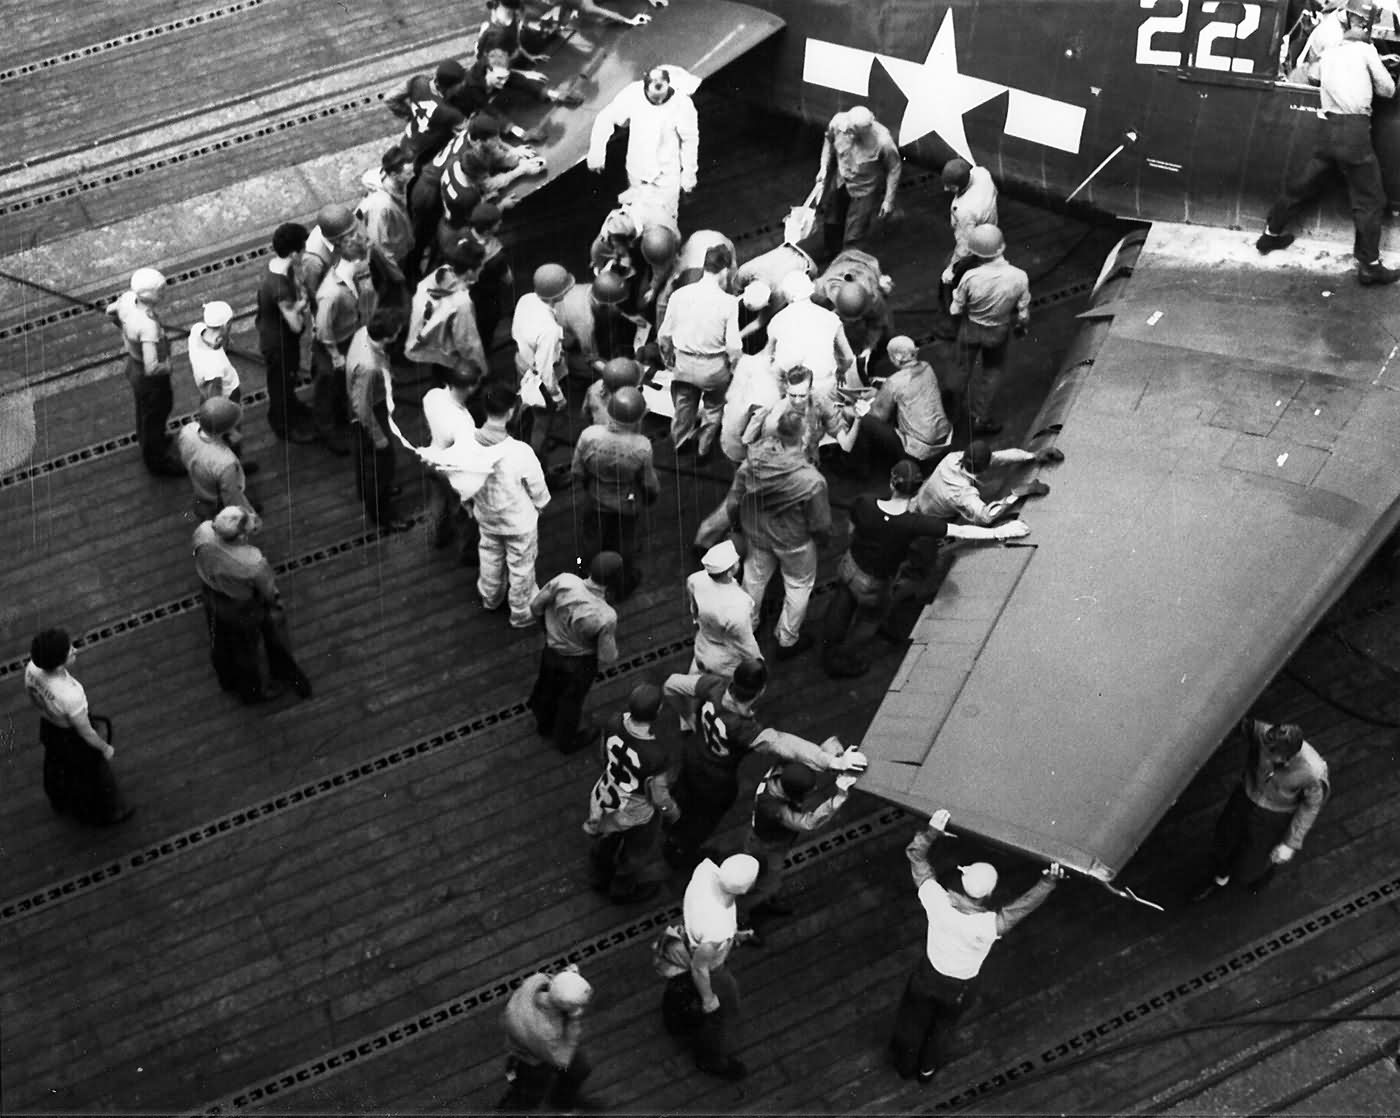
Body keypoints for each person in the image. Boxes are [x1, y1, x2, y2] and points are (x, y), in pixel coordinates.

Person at [890, 810, 1063, 1082]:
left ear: (962, 879)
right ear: (990, 895)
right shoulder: (990, 925)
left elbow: (915, 856)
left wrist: (932, 831)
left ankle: (904, 1065)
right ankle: (927, 1070)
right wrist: (1048, 882)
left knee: (912, 1020)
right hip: (961, 988)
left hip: (927, 977)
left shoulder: (935, 900)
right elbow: (1023, 907)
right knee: (944, 1027)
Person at [822, 461, 1029, 678]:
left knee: (841, 600)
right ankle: (843, 657)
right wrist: (1000, 532)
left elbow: (851, 525)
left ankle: (828, 648)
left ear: (892, 484)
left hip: (850, 563)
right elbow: (961, 530)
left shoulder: (865, 502)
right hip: (874, 583)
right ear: (917, 490)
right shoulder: (914, 523)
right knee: (869, 620)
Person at [659, 658, 866, 872]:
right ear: (761, 691)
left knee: (682, 795)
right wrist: (833, 761)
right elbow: (784, 743)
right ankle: (680, 852)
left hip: (692, 755)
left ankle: (670, 825)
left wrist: (688, 715)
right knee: (702, 821)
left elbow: (671, 684)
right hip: (715, 782)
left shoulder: (712, 685)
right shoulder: (745, 729)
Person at [1259, 0, 1400, 284]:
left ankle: (1270, 234)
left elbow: (1313, 75)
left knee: (1302, 184)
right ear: (1365, 25)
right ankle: (1370, 265)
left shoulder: (1332, 50)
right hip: (1354, 133)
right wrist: (1378, 66)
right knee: (1371, 199)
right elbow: (1388, 90)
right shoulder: (1367, 50)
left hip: (1327, 130)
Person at [726, 410, 832, 660]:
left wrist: (736, 526)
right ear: (803, 437)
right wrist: (823, 542)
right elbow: (821, 524)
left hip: (757, 534)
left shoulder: (753, 460)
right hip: (793, 543)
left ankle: (747, 626)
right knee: (798, 586)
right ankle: (787, 638)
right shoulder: (811, 480)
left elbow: (734, 500)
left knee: (753, 580)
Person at [1192, 718, 1330, 900]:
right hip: (1245, 797)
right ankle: (1219, 878)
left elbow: (1312, 804)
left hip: (1274, 815)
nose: (1269, 758)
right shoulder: (1259, 732)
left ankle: (1264, 872)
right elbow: (1230, 721)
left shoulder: (1313, 772)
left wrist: (1290, 843)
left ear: (1289, 757)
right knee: (1223, 840)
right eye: (1268, 750)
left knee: (1251, 863)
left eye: (1276, 755)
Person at [192, 506, 312, 705]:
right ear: (239, 537)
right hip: (242, 606)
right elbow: (269, 592)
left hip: (211, 593)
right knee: (249, 650)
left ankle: (227, 680)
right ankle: (256, 690)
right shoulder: (252, 562)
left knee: (220, 640)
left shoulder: (203, 531)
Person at [582, 682, 679, 903]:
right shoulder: (655, 755)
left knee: (607, 836)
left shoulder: (613, 722)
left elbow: (603, 754)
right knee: (636, 852)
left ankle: (598, 874)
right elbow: (659, 795)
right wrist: (672, 812)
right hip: (635, 810)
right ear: (657, 712)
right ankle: (622, 889)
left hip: (607, 794)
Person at [25, 628, 133, 826]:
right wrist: (104, 747)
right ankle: (110, 812)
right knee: (95, 775)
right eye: (69, 651)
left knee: (54, 764)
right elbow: (86, 731)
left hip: (50, 727)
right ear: (58, 664)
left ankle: (58, 800)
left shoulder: (32, 668)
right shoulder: (71, 695)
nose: (75, 650)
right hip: (72, 736)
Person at [666, 853, 759, 1080]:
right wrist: (709, 1000)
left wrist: (733, 935)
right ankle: (711, 1060)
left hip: (686, 940)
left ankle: (673, 1019)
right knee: (724, 1013)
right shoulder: (717, 928)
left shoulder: (705, 869)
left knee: (679, 985)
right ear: (744, 890)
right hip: (710, 965)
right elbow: (700, 967)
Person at [741, 762, 859, 933]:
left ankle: (764, 900)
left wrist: (837, 760)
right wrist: (839, 797)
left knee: (760, 879)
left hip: (765, 839)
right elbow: (807, 823)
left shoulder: (778, 771)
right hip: (767, 847)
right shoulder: (773, 808)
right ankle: (741, 915)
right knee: (766, 885)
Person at [528, 551, 624, 754]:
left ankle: (544, 725)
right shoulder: (606, 615)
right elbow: (607, 656)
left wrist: (547, 630)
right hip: (578, 664)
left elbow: (536, 606)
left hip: (551, 650)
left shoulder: (565, 581)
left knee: (546, 687)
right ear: (615, 579)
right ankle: (566, 741)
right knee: (570, 702)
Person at [472, 383, 551, 627]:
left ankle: (490, 596)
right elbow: (537, 487)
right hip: (518, 521)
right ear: (509, 413)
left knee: (490, 555)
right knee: (521, 566)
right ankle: (521, 612)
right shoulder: (519, 451)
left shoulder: (467, 445)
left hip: (486, 516)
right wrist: (540, 505)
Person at [571, 385, 659, 599]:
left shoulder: (589, 436)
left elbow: (577, 470)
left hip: (595, 496)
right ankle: (622, 583)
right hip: (626, 502)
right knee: (625, 543)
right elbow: (649, 483)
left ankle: (584, 574)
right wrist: (649, 497)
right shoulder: (642, 446)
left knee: (590, 539)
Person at [657, 243, 742, 459]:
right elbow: (734, 346)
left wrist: (668, 358)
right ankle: (703, 449)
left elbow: (663, 335)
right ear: (724, 270)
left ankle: (680, 443)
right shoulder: (729, 303)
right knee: (713, 410)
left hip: (683, 365)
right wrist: (734, 366)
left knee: (683, 407)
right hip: (714, 369)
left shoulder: (679, 296)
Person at [947, 224, 1030, 436]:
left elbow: (955, 309)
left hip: (971, 329)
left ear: (976, 252)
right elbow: (1023, 314)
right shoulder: (1019, 276)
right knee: (992, 373)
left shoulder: (970, 277)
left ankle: (950, 414)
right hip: (998, 332)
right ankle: (979, 418)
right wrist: (1021, 327)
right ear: (1001, 248)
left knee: (961, 369)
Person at [587, 65, 699, 221]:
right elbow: (606, 117)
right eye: (653, 97)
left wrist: (689, 176)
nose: (658, 102)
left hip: (666, 175)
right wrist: (597, 154)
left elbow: (690, 141)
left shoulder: (683, 104)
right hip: (637, 171)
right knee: (635, 215)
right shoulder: (633, 94)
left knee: (666, 218)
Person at [106, 267, 183, 476]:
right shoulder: (148, 326)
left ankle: (148, 440)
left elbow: (110, 311)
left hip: (133, 366)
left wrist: (125, 329)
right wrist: (168, 365)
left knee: (144, 412)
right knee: (156, 413)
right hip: (149, 380)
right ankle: (157, 461)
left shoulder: (128, 299)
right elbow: (152, 367)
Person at [679, 540, 761, 730]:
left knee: (694, 682)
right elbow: (745, 641)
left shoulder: (695, 579)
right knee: (729, 692)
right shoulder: (740, 603)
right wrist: (757, 661)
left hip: (703, 643)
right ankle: (728, 721)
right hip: (725, 656)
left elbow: (694, 608)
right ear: (732, 570)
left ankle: (686, 722)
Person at [346, 309, 412, 532]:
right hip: (369, 415)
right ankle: (382, 513)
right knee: (379, 465)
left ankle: (371, 491)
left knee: (370, 465)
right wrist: (379, 437)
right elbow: (361, 407)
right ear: (389, 336)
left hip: (375, 402)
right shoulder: (368, 366)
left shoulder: (363, 333)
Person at [849, 336, 953, 475]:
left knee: (864, 421)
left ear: (897, 357)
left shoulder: (894, 383)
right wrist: (882, 391)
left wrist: (857, 406)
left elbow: (878, 416)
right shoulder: (927, 367)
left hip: (918, 451)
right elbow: (908, 388)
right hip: (944, 441)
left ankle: (860, 471)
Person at [498, 966, 595, 1111]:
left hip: (536, 1045)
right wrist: (573, 1020)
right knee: (527, 1099)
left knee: (580, 1069)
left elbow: (551, 981)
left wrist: (567, 978)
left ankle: (562, 1102)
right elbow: (562, 1059)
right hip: (533, 1061)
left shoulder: (535, 982)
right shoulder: (547, 1031)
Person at [812, 105, 902, 258]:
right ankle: (832, 252)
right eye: (849, 129)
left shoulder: (883, 141)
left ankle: (847, 262)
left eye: (854, 131)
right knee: (831, 220)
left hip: (864, 190)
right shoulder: (839, 123)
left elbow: (894, 168)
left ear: (866, 129)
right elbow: (828, 140)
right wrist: (823, 167)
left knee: (854, 235)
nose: (849, 133)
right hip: (841, 181)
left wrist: (888, 200)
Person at [255, 222, 316, 443]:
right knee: (280, 383)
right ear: (293, 253)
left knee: (286, 380)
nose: (305, 252)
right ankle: (283, 424)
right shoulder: (279, 287)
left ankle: (291, 405)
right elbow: (296, 326)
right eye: (303, 248)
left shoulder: (278, 266)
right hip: (279, 342)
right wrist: (302, 304)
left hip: (278, 333)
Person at [913, 439, 1060, 526]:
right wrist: (1018, 493)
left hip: (923, 497)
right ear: (983, 468)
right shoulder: (963, 493)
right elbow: (986, 516)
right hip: (932, 518)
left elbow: (999, 458)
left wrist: (1032, 455)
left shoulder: (953, 458)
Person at [404, 240, 488, 390]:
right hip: (450, 352)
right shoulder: (461, 303)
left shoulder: (440, 274)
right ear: (469, 271)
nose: (482, 268)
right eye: (481, 265)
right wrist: (480, 368)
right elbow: (467, 342)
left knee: (438, 376)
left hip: (431, 344)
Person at [763, 271, 856, 401]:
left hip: (791, 390)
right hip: (824, 385)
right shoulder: (831, 318)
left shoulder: (777, 320)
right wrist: (840, 371)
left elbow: (768, 357)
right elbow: (848, 357)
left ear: (786, 294)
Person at [513, 263, 573, 460]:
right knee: (542, 424)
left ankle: (523, 444)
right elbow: (546, 370)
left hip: (522, 362)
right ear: (558, 294)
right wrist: (557, 397)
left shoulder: (526, 299)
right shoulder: (549, 330)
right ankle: (539, 466)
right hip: (540, 380)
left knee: (528, 414)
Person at [741, 364, 853, 466]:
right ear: (787, 390)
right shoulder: (775, 419)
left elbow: (844, 440)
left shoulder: (819, 401)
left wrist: (857, 417)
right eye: (793, 395)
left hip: (811, 461)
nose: (797, 401)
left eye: (802, 395)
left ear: (810, 390)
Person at [421, 368, 480, 555]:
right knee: (462, 512)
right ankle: (468, 551)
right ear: (471, 387)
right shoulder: (463, 423)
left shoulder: (432, 396)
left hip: (431, 457)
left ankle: (436, 536)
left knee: (437, 501)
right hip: (451, 471)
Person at [187, 300, 252, 463]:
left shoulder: (197, 330)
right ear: (226, 324)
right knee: (228, 440)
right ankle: (235, 463)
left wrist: (224, 339)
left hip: (210, 393)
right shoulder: (214, 369)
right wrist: (230, 430)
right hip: (226, 401)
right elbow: (215, 406)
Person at [938, 158, 998, 323]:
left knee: (949, 280)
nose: (945, 189)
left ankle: (952, 319)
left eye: (949, 186)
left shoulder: (966, 211)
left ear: (958, 186)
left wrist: (952, 268)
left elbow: (964, 246)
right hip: (992, 233)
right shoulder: (982, 173)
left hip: (975, 245)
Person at [177, 397, 254, 521]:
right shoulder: (227, 466)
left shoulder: (188, 430)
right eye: (235, 427)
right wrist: (249, 518)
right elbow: (232, 499)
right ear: (225, 433)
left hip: (201, 478)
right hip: (217, 494)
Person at [387, 59, 468, 169]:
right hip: (424, 155)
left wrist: (410, 115)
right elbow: (465, 138)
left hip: (406, 142)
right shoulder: (451, 114)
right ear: (450, 87)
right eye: (460, 84)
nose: (463, 86)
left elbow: (390, 98)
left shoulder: (418, 82)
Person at [356, 145, 416, 283]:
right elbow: (378, 245)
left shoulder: (396, 184)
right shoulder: (382, 206)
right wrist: (394, 272)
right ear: (394, 175)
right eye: (408, 173)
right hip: (392, 258)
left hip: (400, 248)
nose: (412, 175)